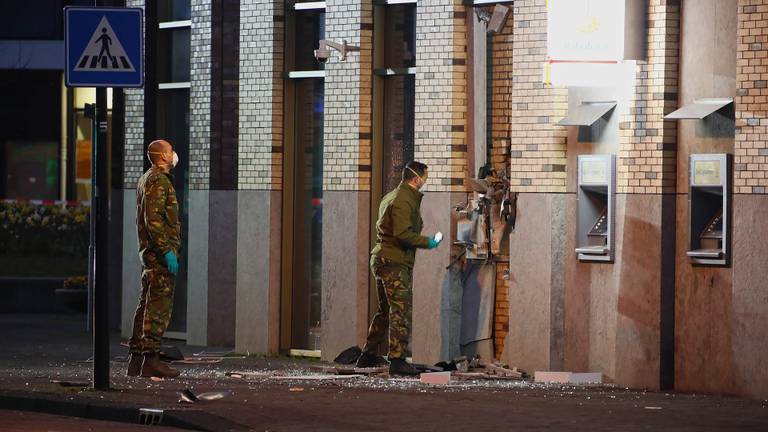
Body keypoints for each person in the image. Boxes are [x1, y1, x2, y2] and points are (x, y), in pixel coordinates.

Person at [356, 161, 442, 375]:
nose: (425, 181)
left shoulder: (392, 196)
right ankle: (397, 360)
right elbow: (402, 234)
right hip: (393, 261)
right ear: (416, 179)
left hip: (383, 259)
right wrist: (428, 242)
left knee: (385, 310)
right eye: (425, 177)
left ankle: (367, 356)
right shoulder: (404, 200)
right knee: (401, 310)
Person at [126, 140, 182, 379]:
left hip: (150, 254)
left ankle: (136, 359)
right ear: (162, 157)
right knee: (158, 308)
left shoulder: (147, 178)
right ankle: (150, 359)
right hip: (158, 256)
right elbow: (154, 220)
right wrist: (167, 251)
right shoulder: (158, 180)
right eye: (170, 151)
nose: (173, 154)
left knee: (145, 305)